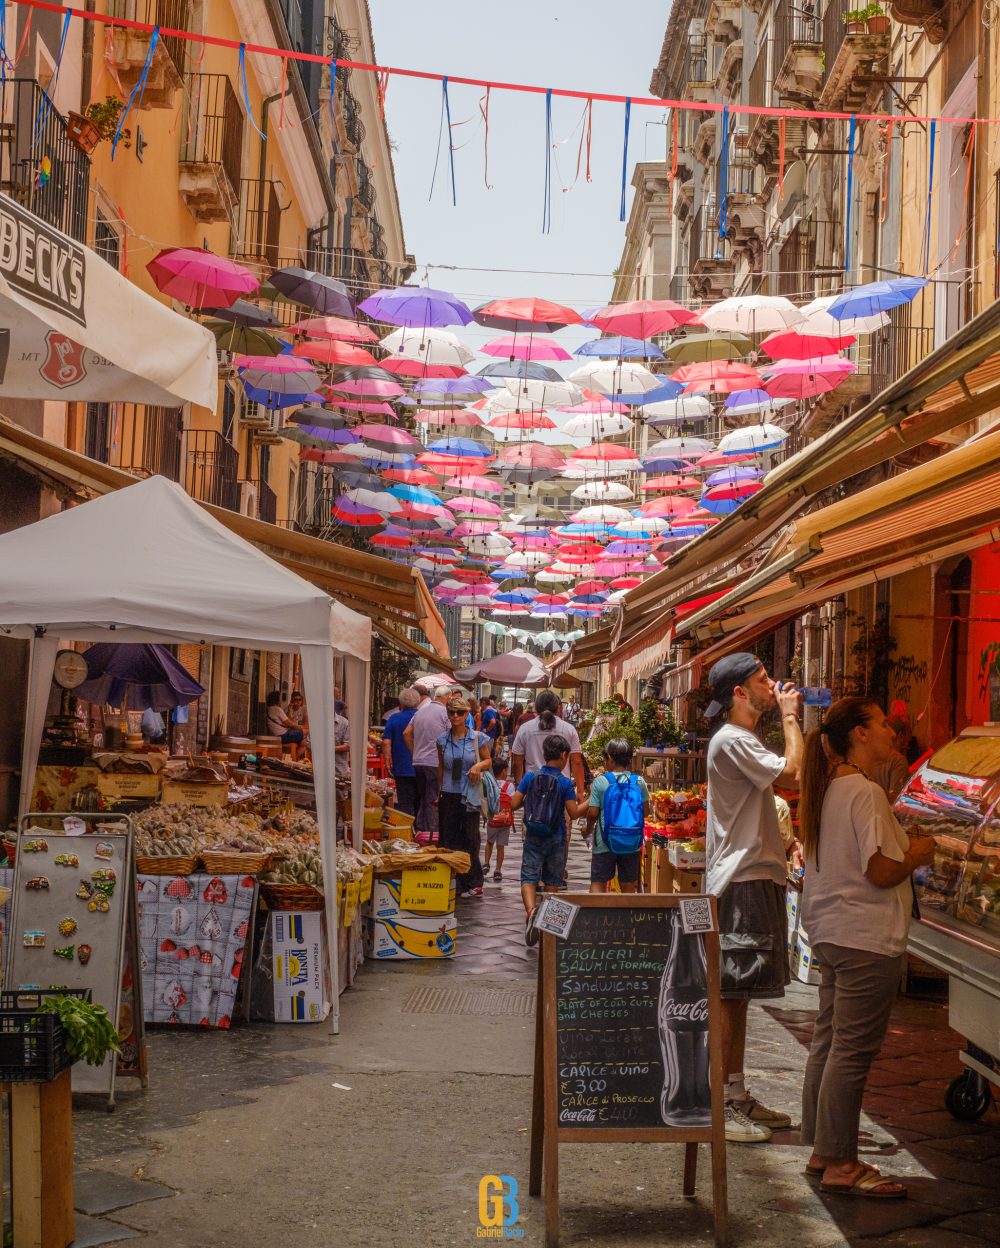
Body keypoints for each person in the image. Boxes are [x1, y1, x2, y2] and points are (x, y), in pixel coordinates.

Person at [799, 697, 936, 1199]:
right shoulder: (865, 791)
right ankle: (840, 1162)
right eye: (880, 724)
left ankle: (822, 1150)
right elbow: (879, 871)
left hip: (834, 931)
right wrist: (917, 853)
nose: (889, 732)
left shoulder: (829, 789)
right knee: (851, 1051)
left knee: (830, 1041)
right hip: (865, 936)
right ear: (858, 734)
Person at [703, 652, 803, 1144]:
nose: (773, 685)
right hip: (741, 877)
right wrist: (790, 716)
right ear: (739, 693)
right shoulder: (733, 740)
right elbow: (794, 774)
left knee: (738, 994)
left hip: (752, 875)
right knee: (729, 992)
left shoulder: (739, 741)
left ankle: (734, 1091)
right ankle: (721, 1103)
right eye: (764, 680)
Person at [510, 734, 578, 945]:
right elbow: (573, 813)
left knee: (528, 878)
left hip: (533, 836)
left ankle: (531, 912)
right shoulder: (565, 783)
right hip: (556, 838)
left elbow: (513, 804)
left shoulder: (531, 777)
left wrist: (531, 803)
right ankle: (548, 929)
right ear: (564, 755)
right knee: (552, 883)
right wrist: (592, 802)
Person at [577, 739, 650, 894]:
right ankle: (626, 917)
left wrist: (587, 829)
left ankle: (596, 916)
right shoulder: (639, 782)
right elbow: (645, 812)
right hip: (631, 841)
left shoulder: (601, 782)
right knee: (629, 885)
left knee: (598, 882)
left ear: (610, 759)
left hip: (604, 841)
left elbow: (593, 813)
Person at [436, 698, 492, 897]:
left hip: (470, 793)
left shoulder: (477, 738)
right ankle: (455, 881)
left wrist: (477, 766)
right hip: (449, 792)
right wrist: (438, 791)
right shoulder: (442, 740)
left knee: (470, 836)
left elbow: (487, 760)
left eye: (459, 713)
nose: (455, 716)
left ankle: (473, 879)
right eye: (451, 713)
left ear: (467, 714)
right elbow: (441, 767)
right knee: (449, 837)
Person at [511, 690, 585, 799]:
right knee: (561, 816)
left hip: (533, 788)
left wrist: (519, 786)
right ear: (558, 708)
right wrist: (580, 791)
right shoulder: (569, 729)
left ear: (536, 708)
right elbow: (577, 762)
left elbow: (517, 762)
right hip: (561, 789)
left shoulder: (525, 729)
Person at [403, 685, 451, 839]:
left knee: (423, 797)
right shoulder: (445, 713)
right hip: (434, 762)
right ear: (447, 697)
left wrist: (415, 751)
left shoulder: (420, 711)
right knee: (433, 799)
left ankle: (420, 832)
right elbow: (452, 736)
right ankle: (431, 835)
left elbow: (406, 733)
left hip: (418, 762)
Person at [382, 687, 420, 816]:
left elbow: (386, 742)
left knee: (405, 804)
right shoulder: (422, 717)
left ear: (401, 702)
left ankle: (406, 831)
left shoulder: (394, 718)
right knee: (420, 803)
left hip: (402, 767)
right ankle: (419, 831)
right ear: (417, 702)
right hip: (422, 767)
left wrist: (387, 762)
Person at [483, 757, 515, 882]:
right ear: (503, 771)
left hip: (492, 819)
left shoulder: (489, 783)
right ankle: (498, 870)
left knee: (489, 842)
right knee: (500, 846)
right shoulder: (509, 786)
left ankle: (486, 862)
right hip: (505, 821)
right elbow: (513, 802)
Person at [872, 716, 911, 803]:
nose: (909, 740)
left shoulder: (872, 756)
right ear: (901, 735)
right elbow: (896, 800)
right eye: (909, 735)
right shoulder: (898, 760)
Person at [333, 699, 350, 779]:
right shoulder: (317, 722)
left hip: (339, 771)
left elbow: (348, 746)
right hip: (319, 770)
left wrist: (328, 750)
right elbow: (309, 743)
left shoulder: (344, 723)